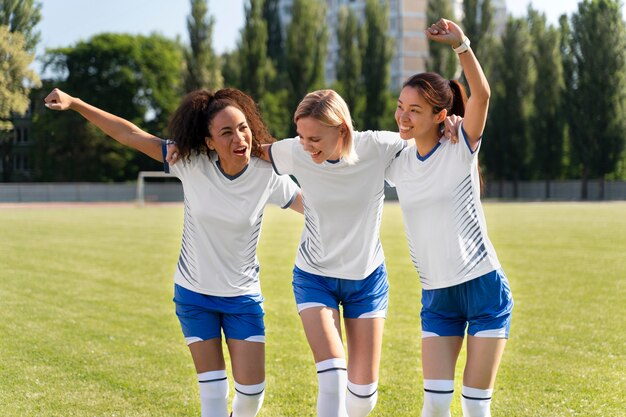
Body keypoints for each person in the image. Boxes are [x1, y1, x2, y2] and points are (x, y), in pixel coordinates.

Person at [44, 87, 303, 417]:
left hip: (242, 298)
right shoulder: (189, 163)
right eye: (226, 132)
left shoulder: (267, 174)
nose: (240, 138)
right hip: (195, 296)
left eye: (243, 127)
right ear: (208, 141)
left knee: (251, 395)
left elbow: (310, 206)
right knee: (213, 397)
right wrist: (76, 102)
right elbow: (131, 134)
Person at [385, 19, 514, 417]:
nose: (403, 117)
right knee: (436, 405)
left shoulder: (460, 147)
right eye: (401, 108)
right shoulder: (396, 160)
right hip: (437, 296)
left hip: (483, 290)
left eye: (415, 111)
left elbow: (482, 96)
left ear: (442, 115)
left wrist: (461, 45)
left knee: (475, 408)